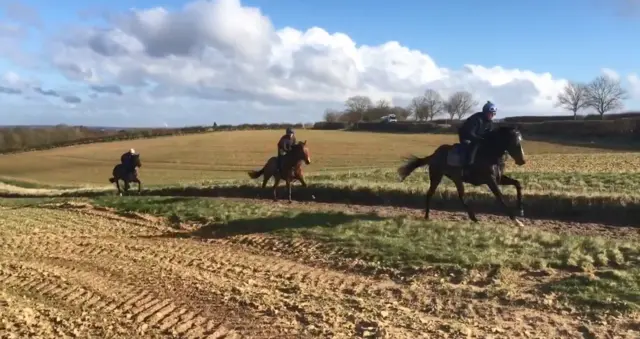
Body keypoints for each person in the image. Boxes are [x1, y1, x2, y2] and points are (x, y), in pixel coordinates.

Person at [457, 101, 497, 168]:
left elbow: (490, 133)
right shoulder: (476, 119)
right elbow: (469, 133)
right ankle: (468, 167)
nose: (492, 115)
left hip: (479, 138)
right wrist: (480, 139)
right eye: (490, 113)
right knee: (474, 146)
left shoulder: (490, 122)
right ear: (485, 112)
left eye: (493, 114)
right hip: (467, 138)